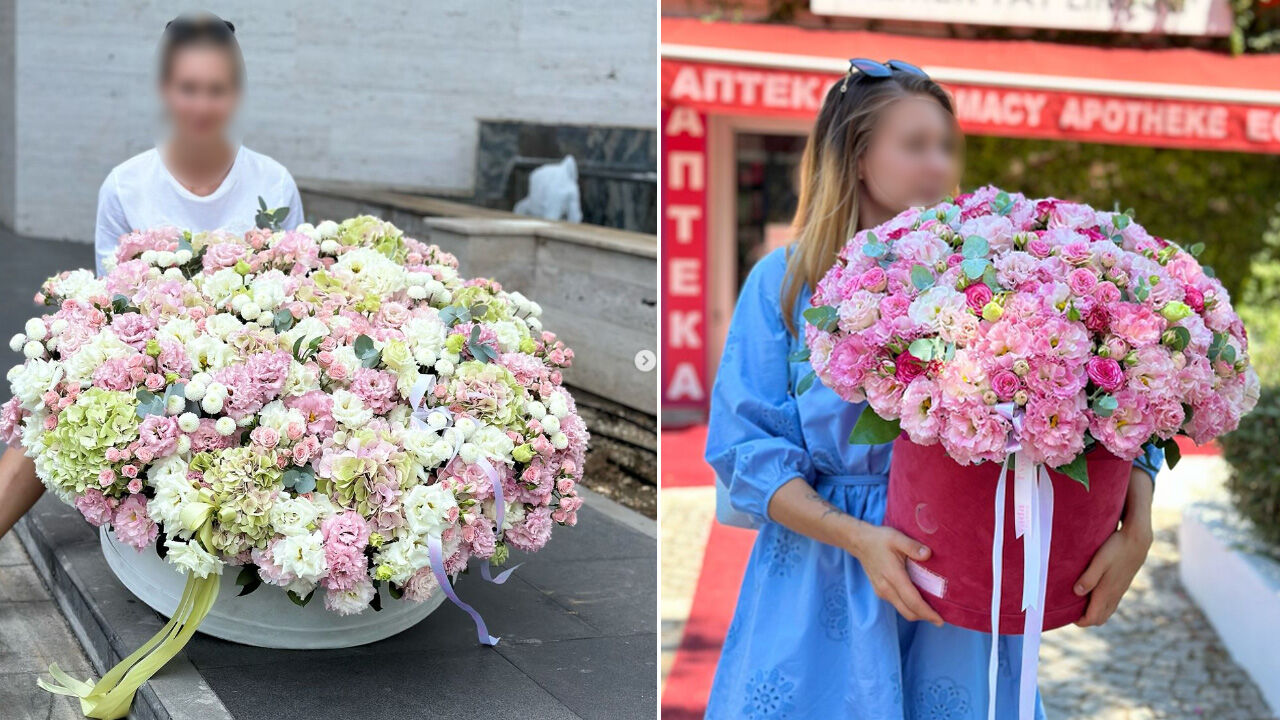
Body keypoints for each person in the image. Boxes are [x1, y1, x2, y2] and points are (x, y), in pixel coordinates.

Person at [702, 59, 1163, 718]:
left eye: (945, 146)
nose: (939, 165)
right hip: (826, 577)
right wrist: (858, 538)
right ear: (858, 158)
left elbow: (1117, 402)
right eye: (915, 145)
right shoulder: (786, 281)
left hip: (965, 580)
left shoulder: (999, 276)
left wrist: (1137, 524)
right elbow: (746, 450)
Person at [0, 11, 304, 540]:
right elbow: (112, 303)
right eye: (189, 88)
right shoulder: (126, 185)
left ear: (237, 92)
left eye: (218, 89)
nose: (203, 105)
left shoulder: (273, 183)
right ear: (165, 89)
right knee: (51, 403)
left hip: (252, 370)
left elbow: (297, 297)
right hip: (151, 367)